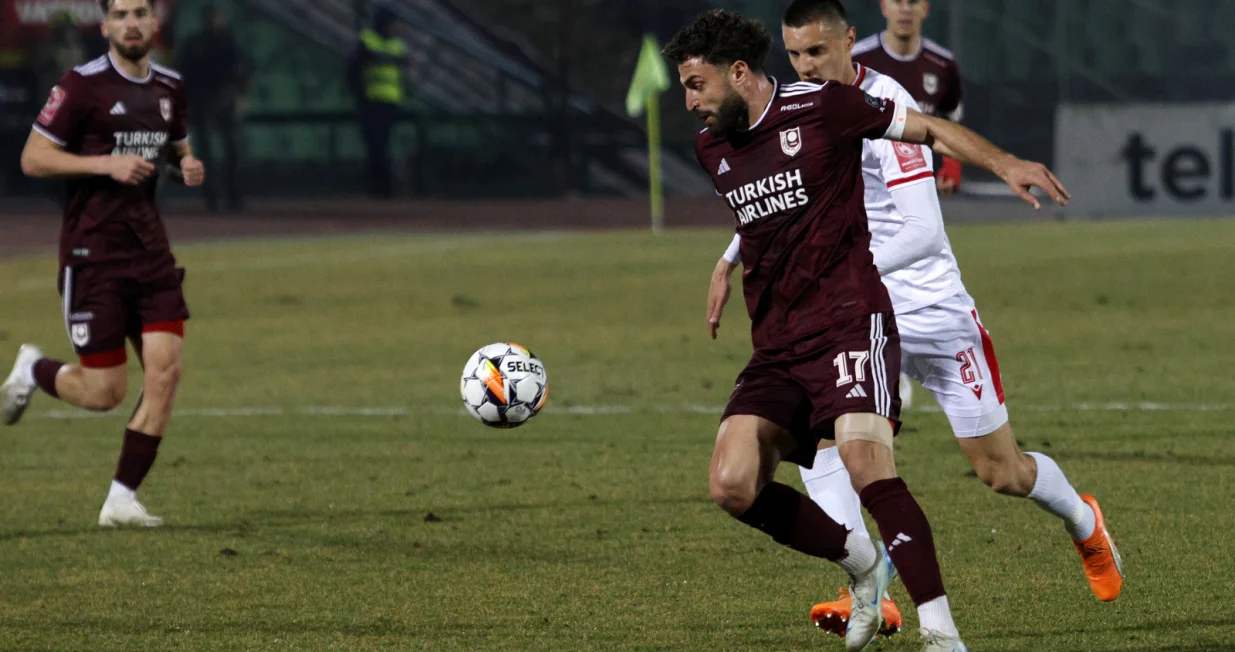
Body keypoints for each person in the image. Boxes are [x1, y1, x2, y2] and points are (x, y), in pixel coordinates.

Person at [703, 0, 1123, 644]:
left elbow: (925, 231)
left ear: (849, 42)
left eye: (817, 52)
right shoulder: (797, 108)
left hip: (929, 308)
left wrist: (830, 262)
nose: (806, 67)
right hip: (852, 313)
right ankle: (873, 589)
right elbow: (783, 198)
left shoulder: (881, 100)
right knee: (834, 444)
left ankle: (1081, 519)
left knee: (1000, 472)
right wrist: (734, 255)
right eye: (794, 56)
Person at [3, 0, 204, 528]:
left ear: (154, 22)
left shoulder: (169, 86)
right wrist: (104, 163)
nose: (132, 22)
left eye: (141, 12)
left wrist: (185, 164)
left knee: (166, 370)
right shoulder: (80, 86)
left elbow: (175, 145)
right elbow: (32, 157)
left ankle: (121, 499)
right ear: (106, 25)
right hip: (94, 257)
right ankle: (33, 369)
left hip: (151, 253)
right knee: (104, 394)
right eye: (121, 13)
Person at [176, 4, 248, 212]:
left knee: (232, 150)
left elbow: (242, 73)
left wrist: (240, 97)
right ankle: (214, 198)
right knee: (208, 154)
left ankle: (233, 196)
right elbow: (183, 72)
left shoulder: (229, 43)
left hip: (224, 100)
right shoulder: (197, 44)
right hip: (203, 101)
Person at [349, 7, 409, 198]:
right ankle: (379, 189)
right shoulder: (368, 41)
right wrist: (361, 95)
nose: (396, 27)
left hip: (391, 101)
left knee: (384, 147)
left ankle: (386, 189)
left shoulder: (398, 46)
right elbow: (353, 71)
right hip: (372, 101)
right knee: (376, 147)